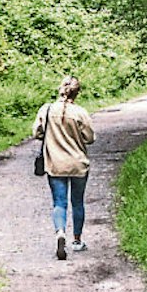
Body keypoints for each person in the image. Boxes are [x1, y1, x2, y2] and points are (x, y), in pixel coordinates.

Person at [33, 75, 95, 260]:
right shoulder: (80, 112)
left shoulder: (47, 109)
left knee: (59, 203)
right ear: (77, 93)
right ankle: (77, 241)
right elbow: (90, 138)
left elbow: (37, 132)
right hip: (78, 164)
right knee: (78, 202)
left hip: (55, 164)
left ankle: (60, 232)